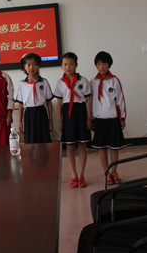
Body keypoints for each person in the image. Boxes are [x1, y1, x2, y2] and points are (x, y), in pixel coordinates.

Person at [54, 52, 92, 188]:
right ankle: (73, 175)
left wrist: (89, 118)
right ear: (61, 66)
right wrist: (59, 120)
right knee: (70, 146)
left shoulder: (83, 81)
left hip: (80, 113)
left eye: (71, 64)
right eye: (65, 64)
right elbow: (59, 102)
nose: (68, 67)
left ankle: (81, 175)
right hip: (67, 115)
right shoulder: (60, 83)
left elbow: (88, 100)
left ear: (76, 65)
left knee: (82, 145)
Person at [90, 51, 127, 185]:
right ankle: (106, 173)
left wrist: (122, 117)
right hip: (99, 119)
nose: (102, 67)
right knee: (102, 148)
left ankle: (114, 172)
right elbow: (91, 101)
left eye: (104, 64)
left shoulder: (114, 81)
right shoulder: (92, 82)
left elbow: (120, 99)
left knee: (114, 147)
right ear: (96, 65)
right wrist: (91, 119)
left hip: (112, 118)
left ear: (109, 65)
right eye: (99, 64)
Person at [16, 53, 53, 143]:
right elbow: (20, 104)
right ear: (24, 66)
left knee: (44, 140)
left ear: (39, 65)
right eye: (28, 64)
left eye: (34, 64)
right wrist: (20, 121)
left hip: (42, 113)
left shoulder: (44, 82)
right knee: (31, 140)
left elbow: (49, 102)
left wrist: (51, 119)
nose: (31, 67)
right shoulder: (22, 84)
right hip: (29, 114)